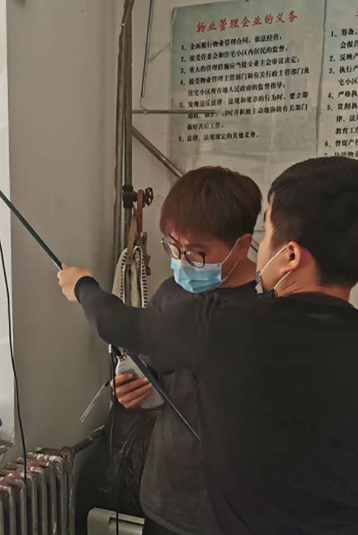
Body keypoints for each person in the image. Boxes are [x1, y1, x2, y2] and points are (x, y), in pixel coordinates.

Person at [59, 157, 358, 535]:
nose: (262, 244)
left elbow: (117, 323)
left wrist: (81, 286)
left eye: (267, 230)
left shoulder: (222, 326)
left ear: (290, 255)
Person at [113, 166, 261, 535]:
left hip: (238, 508)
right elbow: (152, 370)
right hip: (168, 495)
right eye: (173, 248)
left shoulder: (268, 309)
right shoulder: (170, 294)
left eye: (196, 253)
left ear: (242, 244)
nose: (181, 263)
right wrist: (131, 388)